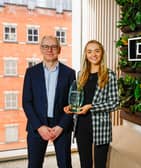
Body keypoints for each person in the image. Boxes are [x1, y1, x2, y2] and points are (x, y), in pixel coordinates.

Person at [64, 40, 119, 168]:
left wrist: (92, 107)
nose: (93, 54)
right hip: (81, 125)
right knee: (85, 164)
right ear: (86, 54)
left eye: (97, 51)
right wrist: (71, 107)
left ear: (102, 53)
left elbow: (115, 103)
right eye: (89, 51)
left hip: (100, 126)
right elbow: (78, 98)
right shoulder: (80, 74)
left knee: (100, 164)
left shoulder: (109, 75)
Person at [22, 35, 76, 168]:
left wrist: (61, 126)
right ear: (41, 49)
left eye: (53, 47)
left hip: (61, 125)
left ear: (59, 49)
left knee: (65, 164)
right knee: (34, 165)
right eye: (46, 46)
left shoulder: (69, 73)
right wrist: (39, 127)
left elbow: (73, 103)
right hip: (37, 125)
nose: (49, 50)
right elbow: (27, 102)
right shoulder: (31, 73)